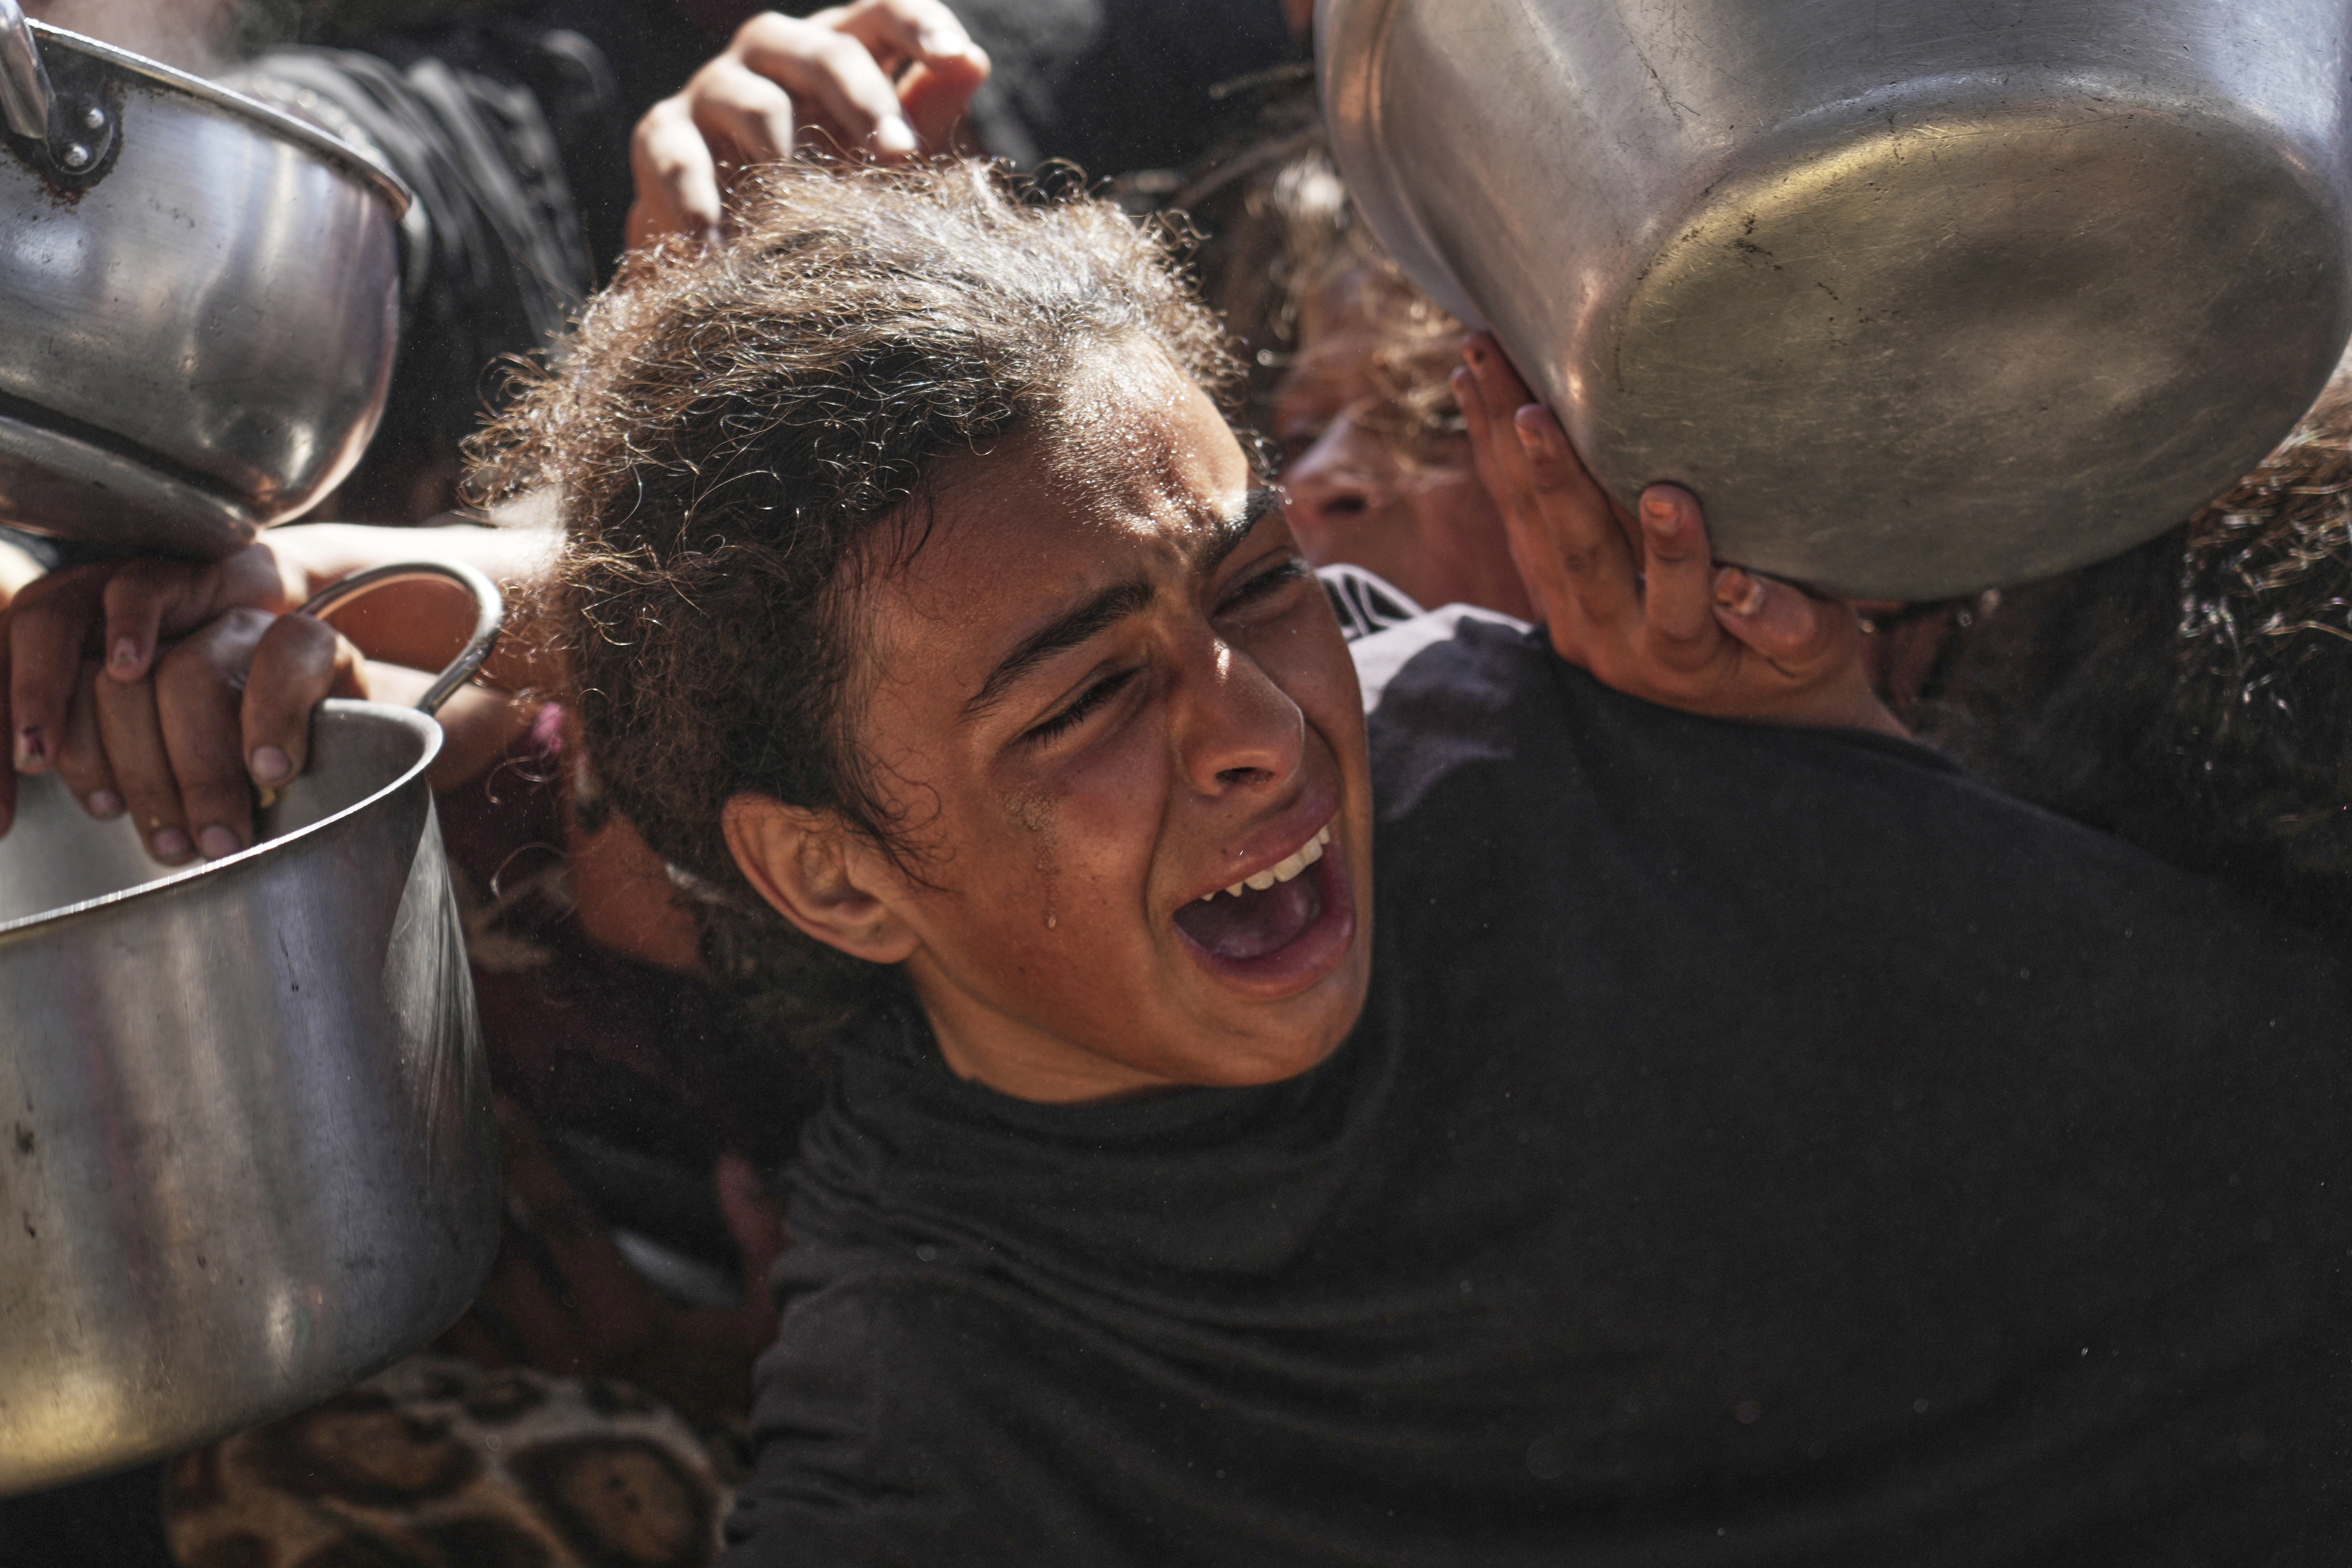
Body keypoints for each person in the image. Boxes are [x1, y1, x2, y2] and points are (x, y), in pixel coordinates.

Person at [85, 160, 2334, 1564]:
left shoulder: (1532, 709)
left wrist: (1827, 739)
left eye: (1253, 588)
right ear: (836, 879)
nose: (1259, 733)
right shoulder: (953, 1424)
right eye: (1082, 704)